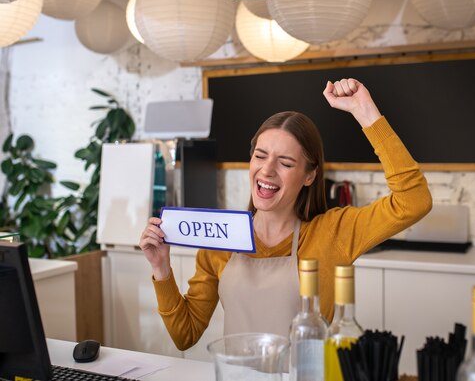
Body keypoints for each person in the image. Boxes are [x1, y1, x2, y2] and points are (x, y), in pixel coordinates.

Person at [139, 78, 432, 350]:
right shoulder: (221, 236)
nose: (267, 171)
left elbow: (414, 200)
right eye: (260, 156)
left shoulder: (333, 233)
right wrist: (161, 269)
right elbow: (185, 335)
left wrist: (366, 113)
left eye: (286, 163)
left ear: (309, 176)